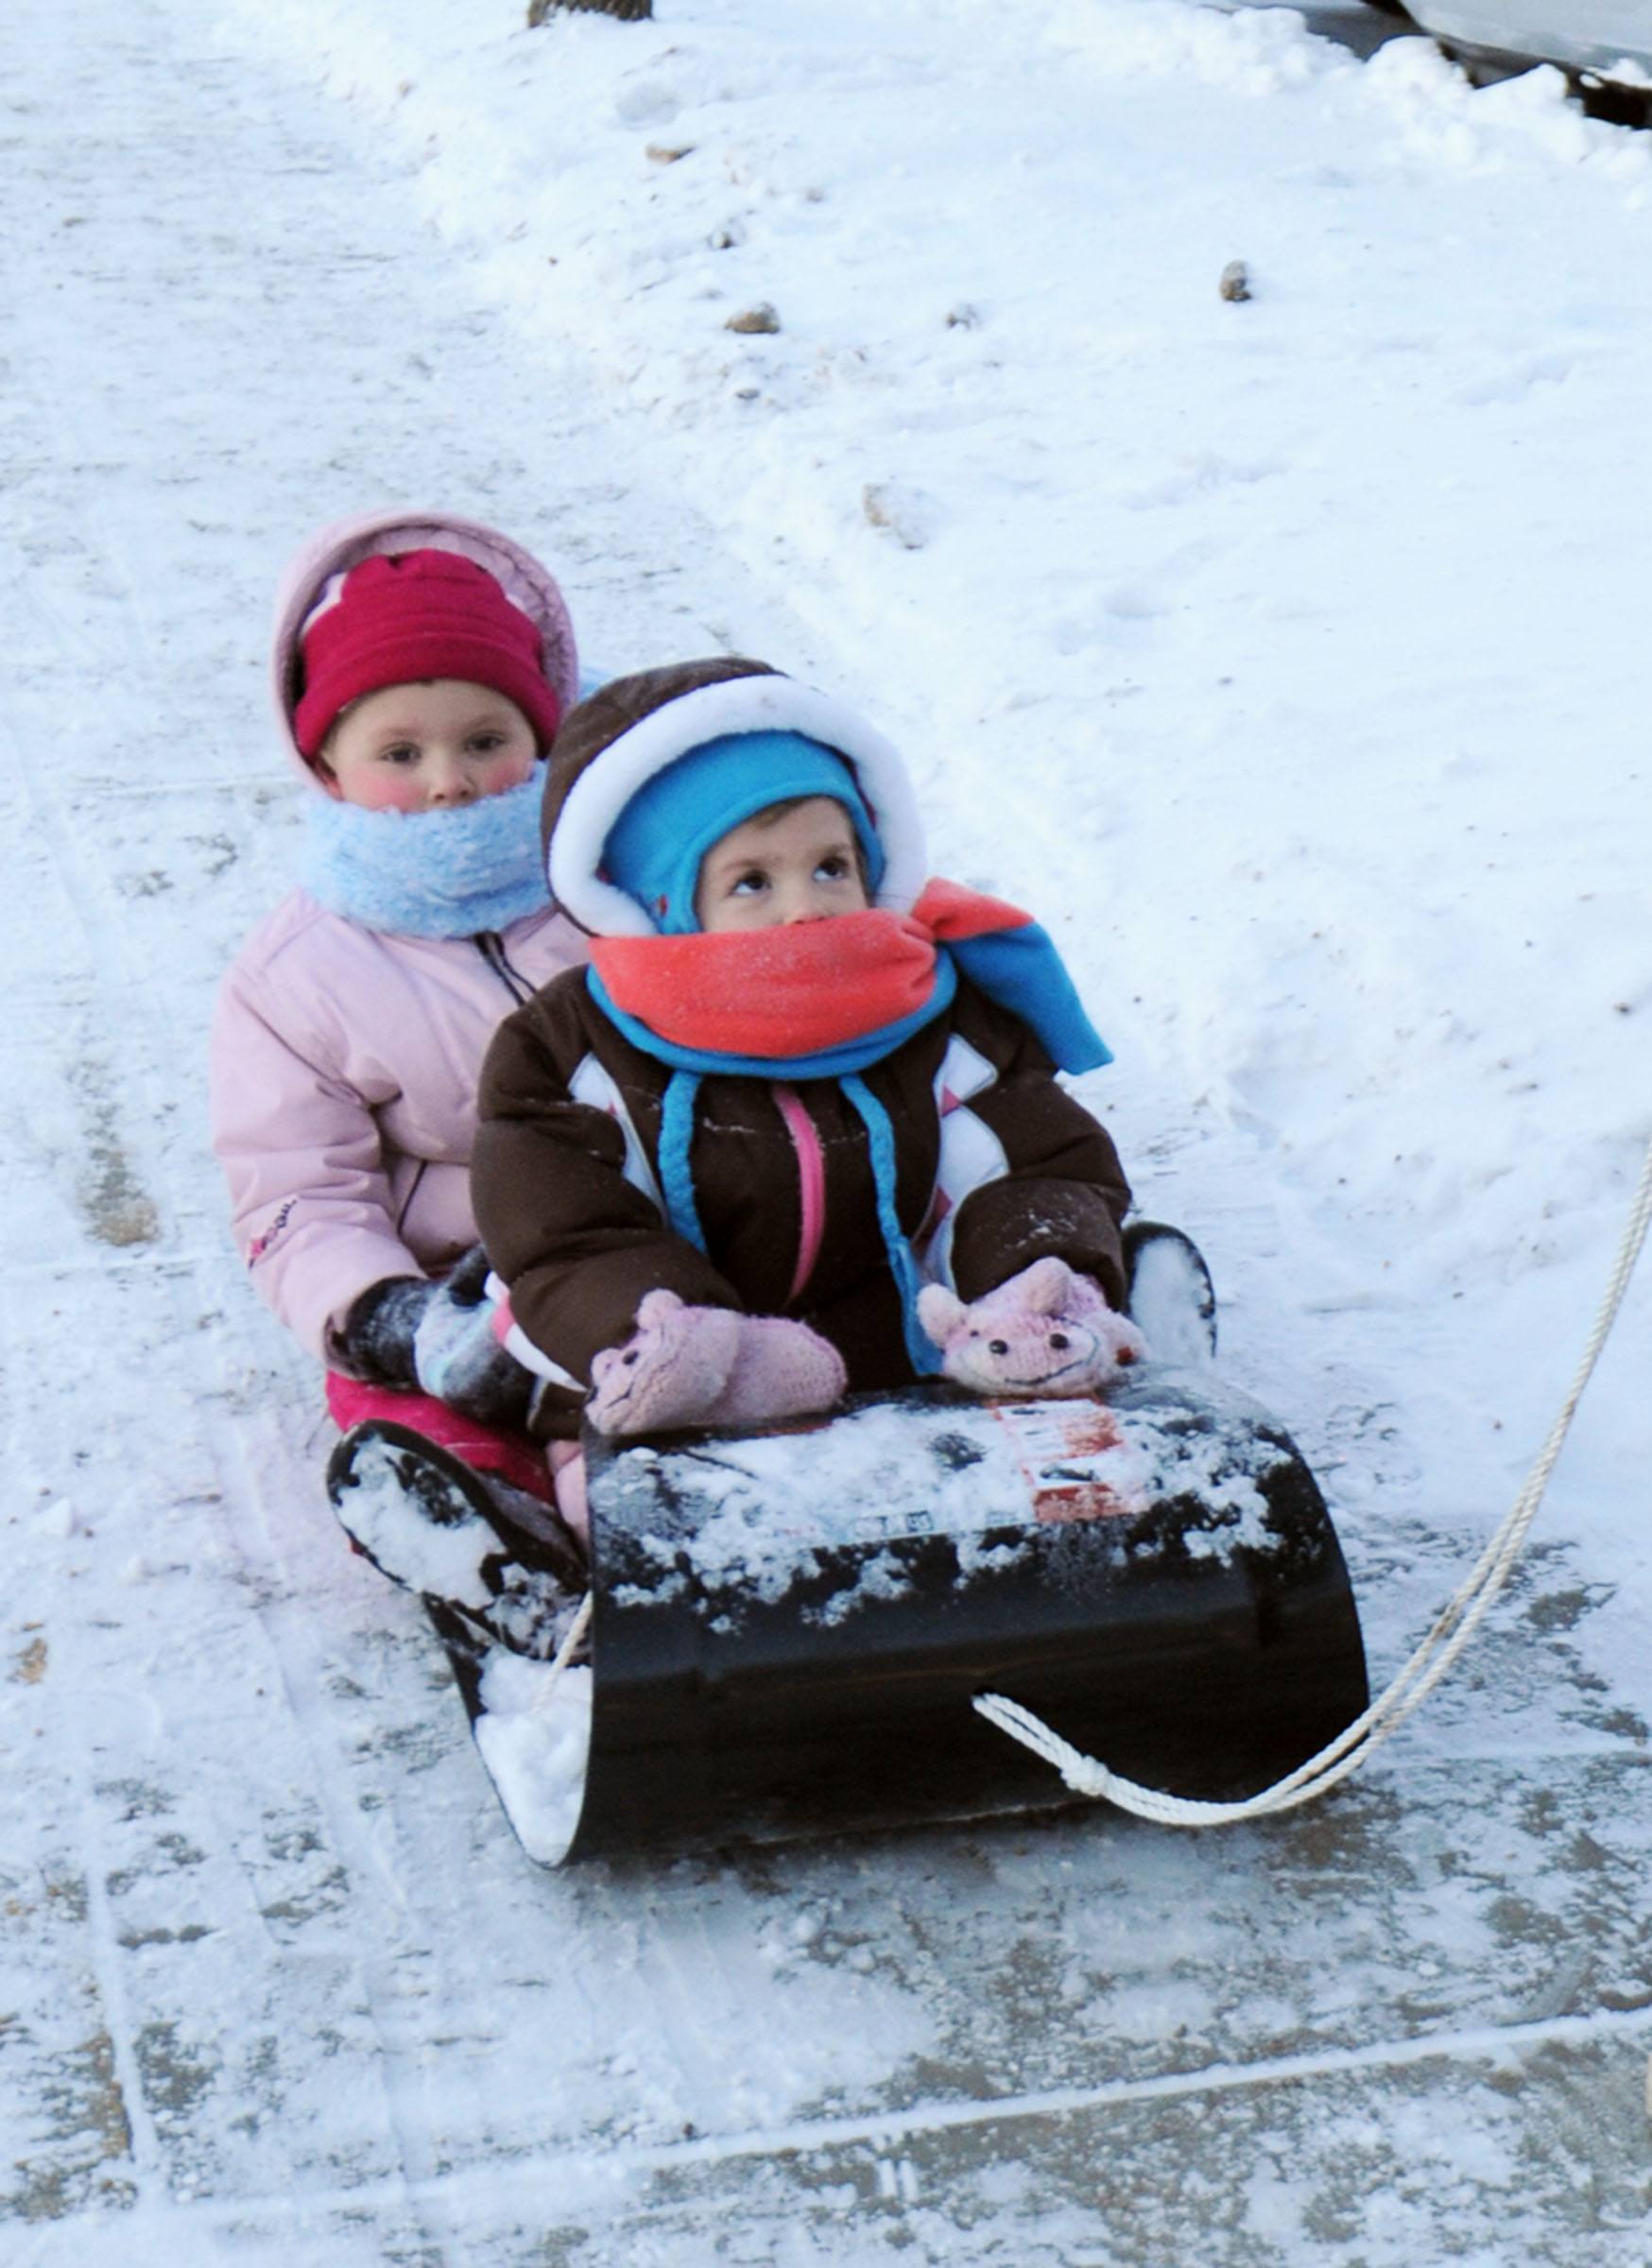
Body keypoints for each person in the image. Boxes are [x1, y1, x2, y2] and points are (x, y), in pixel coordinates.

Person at [468, 655, 1147, 1475]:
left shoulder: (933, 1010)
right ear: (661, 907)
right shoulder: (575, 1047)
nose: (805, 907)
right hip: (674, 1376)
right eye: (751, 881)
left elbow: (1024, 1164)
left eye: (831, 866)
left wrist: (1025, 1287)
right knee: (609, 1474)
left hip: (910, 1355)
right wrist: (672, 1340)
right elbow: (569, 1231)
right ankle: (551, 1538)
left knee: (1030, 1443)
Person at [211, 508, 594, 1648]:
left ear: (545, 729)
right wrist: (388, 1315)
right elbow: (296, 1195)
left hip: (649, 1243)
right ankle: (477, 1517)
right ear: (324, 762)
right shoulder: (295, 976)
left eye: (486, 738)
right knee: (416, 1398)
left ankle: (631, 1511)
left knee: (647, 1382)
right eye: (399, 752)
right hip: (458, 1283)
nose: (448, 783)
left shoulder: (617, 884)